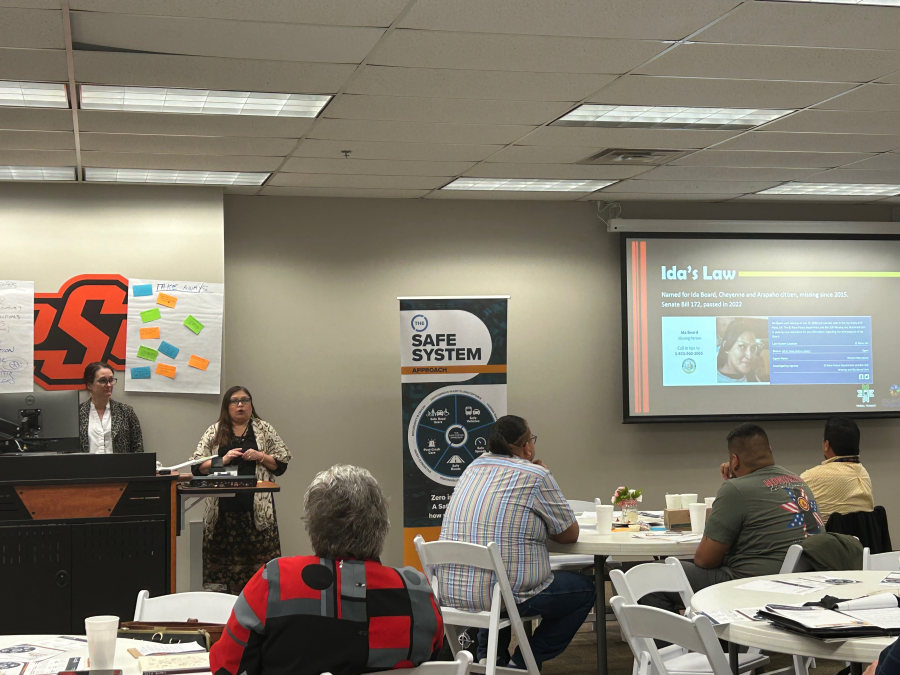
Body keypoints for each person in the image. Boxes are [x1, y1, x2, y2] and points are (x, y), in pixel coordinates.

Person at [210, 465, 444, 675]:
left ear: (313, 527)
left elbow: (227, 668)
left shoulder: (275, 582)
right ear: (382, 526)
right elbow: (433, 661)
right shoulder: (417, 592)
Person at [437, 415, 594, 670]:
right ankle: (522, 663)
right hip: (501, 593)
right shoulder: (536, 474)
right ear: (527, 446)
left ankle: (491, 659)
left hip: (454, 591)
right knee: (585, 590)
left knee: (499, 586)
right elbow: (569, 534)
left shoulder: (472, 468)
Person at [643, 423, 822, 613]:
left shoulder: (736, 490)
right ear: (769, 451)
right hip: (805, 582)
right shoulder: (798, 481)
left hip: (751, 584)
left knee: (650, 577)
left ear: (734, 461)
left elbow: (705, 560)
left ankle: (689, 642)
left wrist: (734, 485)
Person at [191, 386, 291, 594]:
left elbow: (281, 464)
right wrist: (223, 460)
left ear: (251, 404)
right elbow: (197, 467)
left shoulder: (264, 429)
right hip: (222, 512)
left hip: (257, 512)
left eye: (245, 400)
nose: (240, 405)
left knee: (260, 578)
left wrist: (260, 456)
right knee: (221, 577)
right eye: (234, 401)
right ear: (226, 406)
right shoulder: (215, 430)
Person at [800, 416, 873, 524]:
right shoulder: (863, 475)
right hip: (862, 541)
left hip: (827, 540)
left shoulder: (810, 477)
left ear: (826, 445)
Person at [78, 361, 143, 454]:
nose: (108, 385)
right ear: (89, 385)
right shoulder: (77, 414)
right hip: (86, 467)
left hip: (120, 467)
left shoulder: (126, 411)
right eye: (102, 381)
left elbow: (138, 449)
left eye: (111, 380)